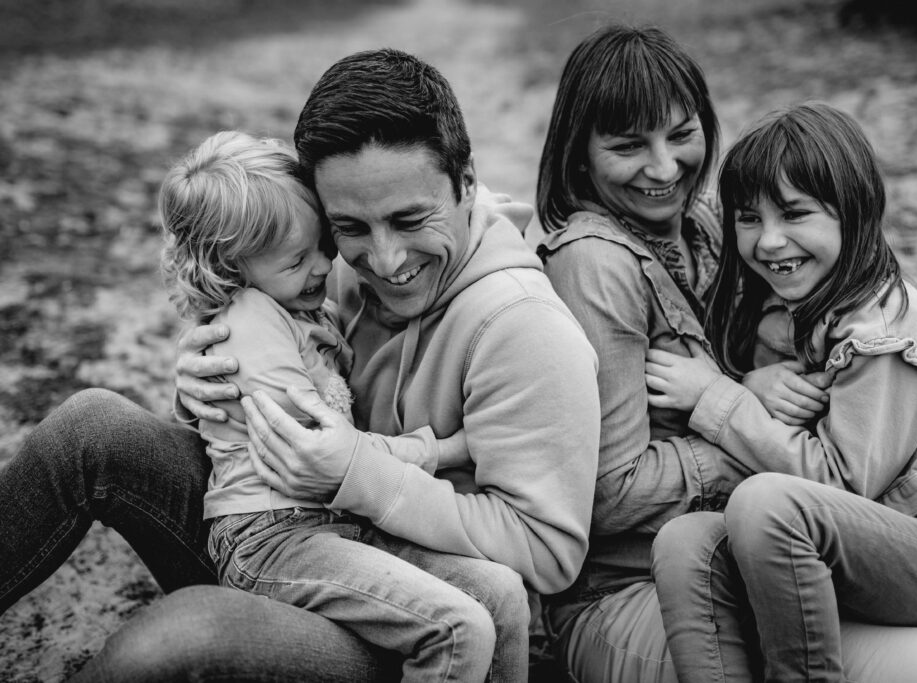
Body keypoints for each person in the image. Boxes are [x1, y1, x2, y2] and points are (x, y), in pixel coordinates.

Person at [0, 48, 601, 682]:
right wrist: (214, 383)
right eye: (348, 228)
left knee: (181, 641)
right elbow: (282, 356)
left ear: (467, 181)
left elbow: (546, 552)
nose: (385, 258)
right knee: (92, 427)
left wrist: (362, 475)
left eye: (408, 219)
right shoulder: (326, 262)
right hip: (292, 532)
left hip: (421, 618)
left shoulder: (523, 329)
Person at [534, 24, 917, 683]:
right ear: (580, 155)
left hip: (798, 544)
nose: (663, 167)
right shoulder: (596, 262)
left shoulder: (710, 220)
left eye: (681, 135)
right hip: (647, 579)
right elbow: (609, 494)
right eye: (627, 146)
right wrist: (737, 408)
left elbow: (871, 344)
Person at [646, 102, 917, 682]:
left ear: (854, 212)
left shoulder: (882, 333)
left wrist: (715, 399)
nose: (769, 241)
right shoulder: (784, 302)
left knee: (764, 502)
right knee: (685, 542)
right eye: (749, 218)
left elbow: (843, 488)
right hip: (843, 562)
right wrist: (751, 383)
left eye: (795, 214)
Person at [158, 129, 502, 681]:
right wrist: (440, 450)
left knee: (501, 594)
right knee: (459, 627)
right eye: (298, 260)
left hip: (333, 524)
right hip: (273, 536)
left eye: (323, 244)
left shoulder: (301, 309)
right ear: (233, 268)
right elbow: (322, 457)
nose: (324, 266)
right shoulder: (252, 322)